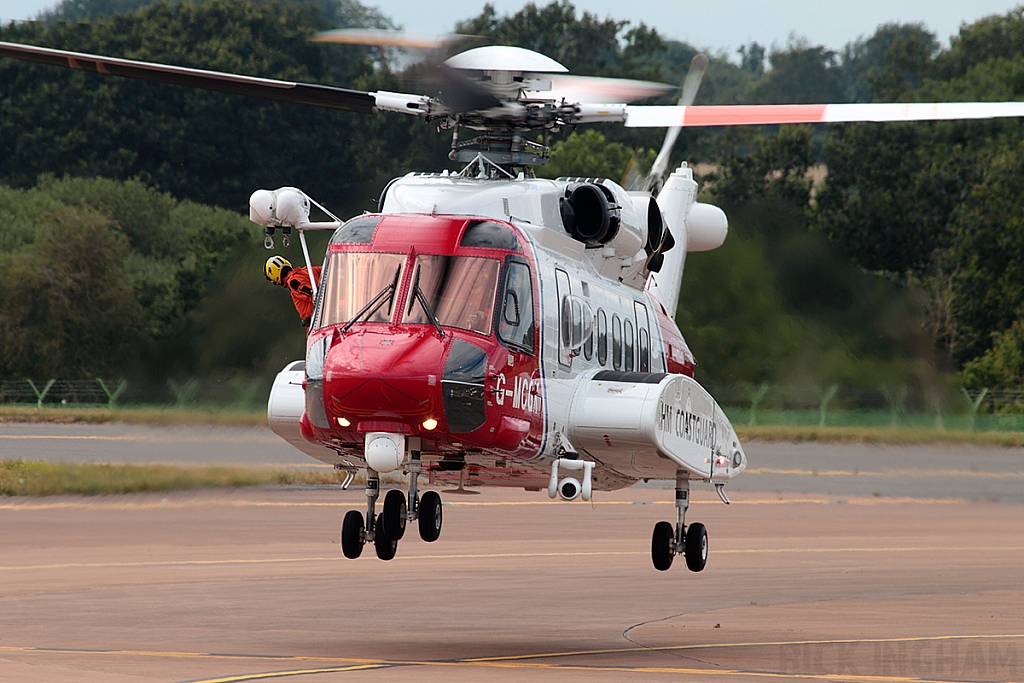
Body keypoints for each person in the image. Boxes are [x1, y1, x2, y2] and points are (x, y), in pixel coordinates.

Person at [265, 256, 322, 330]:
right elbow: (331, 270)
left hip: (319, 326)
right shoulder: (309, 270)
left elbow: (314, 295)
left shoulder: (293, 282)